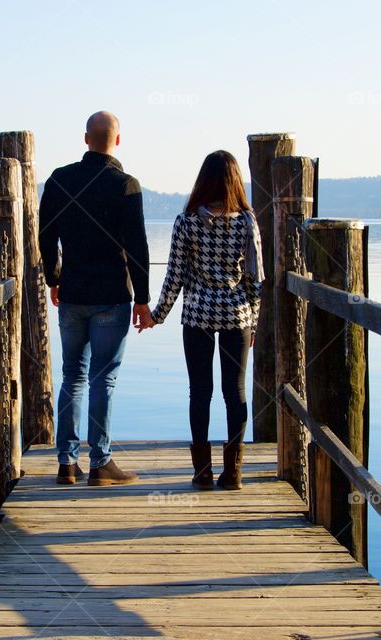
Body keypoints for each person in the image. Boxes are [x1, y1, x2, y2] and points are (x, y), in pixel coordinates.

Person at [39, 111, 153, 487]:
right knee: (103, 379)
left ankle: (66, 464)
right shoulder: (125, 185)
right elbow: (137, 245)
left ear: (86, 138)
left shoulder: (59, 179)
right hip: (111, 297)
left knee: (73, 376)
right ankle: (100, 463)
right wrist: (143, 298)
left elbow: (45, 235)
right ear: (117, 141)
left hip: (72, 294)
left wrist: (53, 277)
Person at [139, 150, 263, 490]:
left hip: (197, 316)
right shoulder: (247, 222)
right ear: (236, 181)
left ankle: (202, 472)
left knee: (200, 392)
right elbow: (255, 279)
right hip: (237, 316)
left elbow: (174, 277)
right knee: (234, 393)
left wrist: (156, 315)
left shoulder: (186, 221)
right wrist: (254, 320)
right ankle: (234, 473)